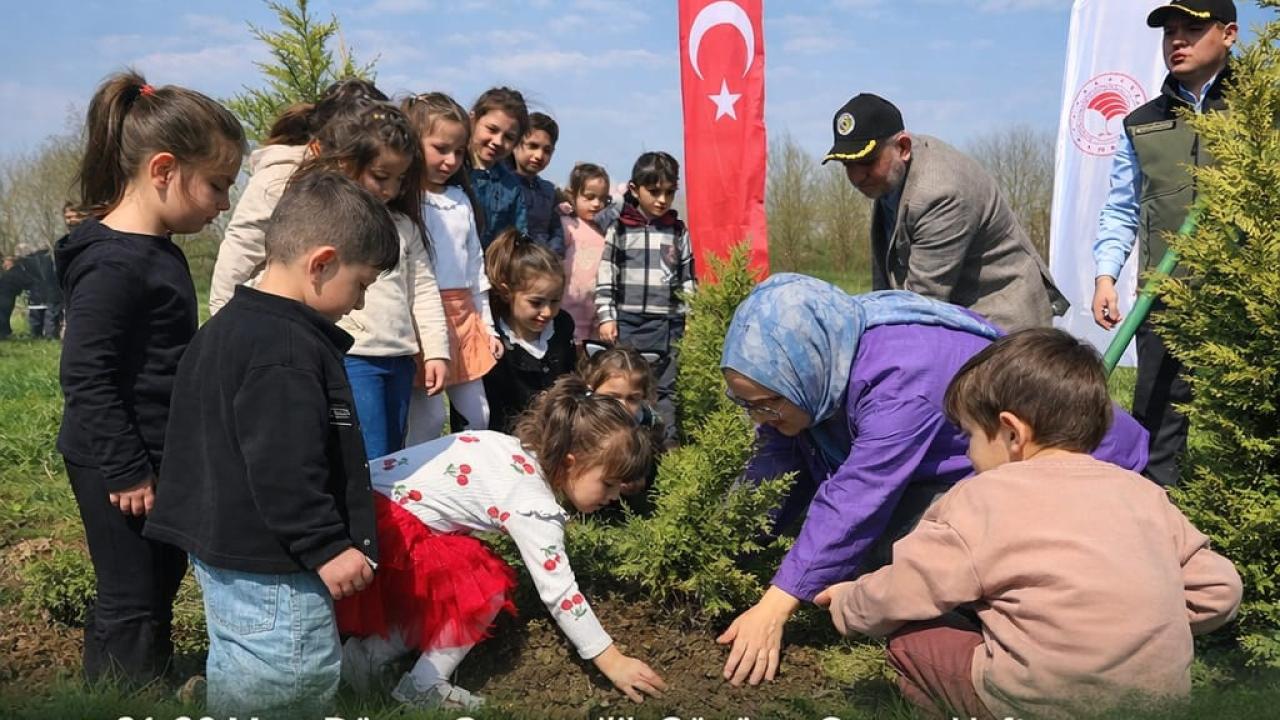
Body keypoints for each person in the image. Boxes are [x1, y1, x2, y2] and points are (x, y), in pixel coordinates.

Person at [714, 274, 1150, 687]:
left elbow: (858, 496)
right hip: (992, 458)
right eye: (748, 404)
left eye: (768, 404)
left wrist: (774, 606)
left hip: (1078, 461)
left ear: (802, 372)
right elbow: (774, 468)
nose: (760, 419)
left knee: (916, 539)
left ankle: (1014, 626)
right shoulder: (827, 352)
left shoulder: (901, 377)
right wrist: (717, 545)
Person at [815, 328, 1243, 720]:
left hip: (1039, 703)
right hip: (1160, 704)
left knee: (910, 638)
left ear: (1011, 433)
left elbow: (907, 588)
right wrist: (1135, 616)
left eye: (969, 435)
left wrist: (847, 604)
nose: (967, 454)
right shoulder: (1143, 493)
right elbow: (1219, 591)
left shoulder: (982, 498)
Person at [145, 172, 399, 716]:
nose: (357, 304)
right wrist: (326, 546)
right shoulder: (285, 351)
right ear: (322, 263)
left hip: (226, 556)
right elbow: (285, 467)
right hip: (274, 567)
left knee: (243, 672)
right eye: (362, 283)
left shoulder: (226, 328)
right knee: (289, 683)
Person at [56, 71, 246, 688]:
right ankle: (117, 692)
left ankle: (148, 680)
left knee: (159, 578)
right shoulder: (113, 263)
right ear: (164, 169)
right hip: (117, 460)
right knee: (131, 591)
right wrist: (126, 466)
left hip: (155, 451)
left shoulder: (156, 247)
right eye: (217, 185)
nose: (223, 204)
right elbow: (86, 373)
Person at [336, 376, 667, 710]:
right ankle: (424, 685)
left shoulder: (509, 448)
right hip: (389, 524)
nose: (611, 498)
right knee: (483, 584)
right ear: (571, 461)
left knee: (448, 582)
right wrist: (611, 660)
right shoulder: (532, 504)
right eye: (608, 484)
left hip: (364, 505)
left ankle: (367, 657)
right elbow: (560, 593)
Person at [1091, 0, 1238, 487]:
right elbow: (1121, 207)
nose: (1177, 40)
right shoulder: (1141, 123)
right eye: (1170, 31)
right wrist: (1106, 276)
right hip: (1165, 298)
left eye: (1192, 29)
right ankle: (1158, 525)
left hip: (1246, 301)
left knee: (1243, 431)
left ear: (1229, 34)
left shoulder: (1264, 112)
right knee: (1156, 430)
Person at [823, 93, 1066, 333]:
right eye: (847, 165)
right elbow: (886, 283)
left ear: (903, 147)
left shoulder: (940, 192)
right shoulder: (891, 176)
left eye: (867, 162)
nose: (856, 177)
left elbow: (921, 303)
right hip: (958, 318)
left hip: (1003, 327)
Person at [292, 102, 450, 458]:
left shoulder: (404, 226)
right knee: (367, 456)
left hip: (400, 359)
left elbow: (422, 289)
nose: (390, 189)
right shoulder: (321, 220)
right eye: (381, 177)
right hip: (352, 355)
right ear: (346, 163)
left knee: (393, 453)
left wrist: (437, 351)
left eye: (399, 180)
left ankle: (384, 513)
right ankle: (368, 515)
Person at [209, 78, 387, 315]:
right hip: (265, 313)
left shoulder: (353, 194)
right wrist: (223, 317)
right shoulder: (280, 177)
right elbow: (241, 249)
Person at [402, 92, 502, 441]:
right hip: (422, 316)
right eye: (441, 148)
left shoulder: (460, 200)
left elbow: (475, 265)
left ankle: (465, 475)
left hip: (464, 316)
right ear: (414, 144)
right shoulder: (405, 199)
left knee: (479, 413)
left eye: (459, 152)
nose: (450, 160)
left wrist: (487, 324)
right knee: (426, 419)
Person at [595, 151, 696, 448]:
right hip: (628, 323)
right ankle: (623, 448)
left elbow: (688, 276)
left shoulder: (678, 231)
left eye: (669, 192)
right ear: (634, 188)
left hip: (668, 324)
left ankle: (665, 451)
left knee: (665, 391)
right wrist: (607, 316)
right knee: (627, 387)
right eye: (654, 192)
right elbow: (606, 274)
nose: (662, 200)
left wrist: (691, 315)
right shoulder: (620, 228)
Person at [482, 228, 576, 433]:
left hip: (556, 437)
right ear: (507, 292)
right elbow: (494, 409)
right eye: (536, 302)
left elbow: (572, 376)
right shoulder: (495, 343)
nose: (547, 311)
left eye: (555, 301)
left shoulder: (562, 326)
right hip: (507, 443)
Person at [580, 344, 663, 494]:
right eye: (612, 397)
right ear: (591, 390)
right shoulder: (579, 419)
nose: (622, 406)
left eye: (632, 399)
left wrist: (638, 477)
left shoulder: (645, 423)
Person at [468, 87, 529, 250]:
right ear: (473, 120)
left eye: (509, 137)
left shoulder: (512, 186)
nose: (497, 141)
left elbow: (517, 238)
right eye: (492, 129)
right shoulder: (452, 171)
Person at [561, 162, 613, 345]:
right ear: (572, 195)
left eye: (602, 199)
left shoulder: (608, 232)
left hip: (597, 318)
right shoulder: (568, 225)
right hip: (567, 313)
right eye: (589, 197)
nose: (596, 204)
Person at [510, 112, 564, 255]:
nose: (539, 156)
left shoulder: (548, 191)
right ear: (515, 144)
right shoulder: (503, 186)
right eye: (533, 146)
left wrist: (550, 256)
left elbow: (556, 231)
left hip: (542, 266)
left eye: (547, 150)